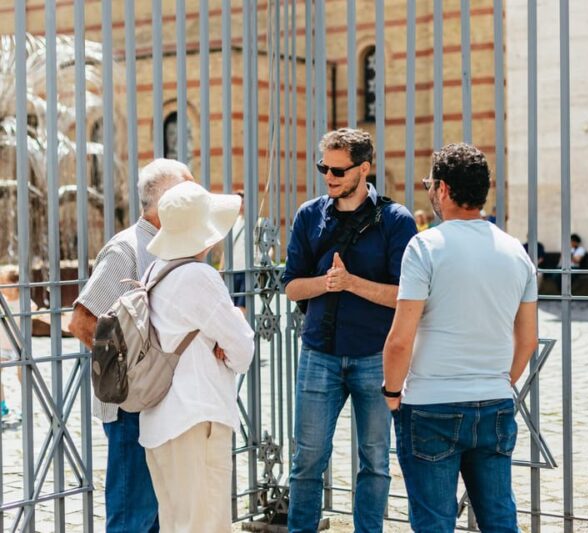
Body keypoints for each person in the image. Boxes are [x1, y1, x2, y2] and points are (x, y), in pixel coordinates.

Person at [382, 143, 539, 532]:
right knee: (500, 518)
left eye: (430, 184)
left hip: (431, 403)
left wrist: (391, 392)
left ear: (445, 190)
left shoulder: (424, 247)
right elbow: (528, 340)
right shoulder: (516, 252)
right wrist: (503, 380)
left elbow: (400, 339)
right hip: (494, 401)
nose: (430, 192)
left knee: (434, 522)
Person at [282, 128, 417, 532]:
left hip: (375, 356)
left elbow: (405, 296)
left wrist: (352, 283)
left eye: (339, 170)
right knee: (306, 459)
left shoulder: (395, 221)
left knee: (375, 460)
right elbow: (290, 286)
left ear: (364, 169)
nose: (329, 176)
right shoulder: (309, 215)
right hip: (318, 353)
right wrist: (326, 283)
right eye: (324, 167)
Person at [69, 158, 193, 533]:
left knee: (152, 515)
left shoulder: (165, 245)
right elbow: (81, 322)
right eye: (186, 193)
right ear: (164, 201)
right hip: (129, 407)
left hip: (156, 402)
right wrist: (133, 371)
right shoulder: (126, 250)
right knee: (131, 519)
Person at [139, 180, 254, 532]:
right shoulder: (198, 276)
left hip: (160, 421)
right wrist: (233, 322)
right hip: (196, 419)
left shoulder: (154, 272)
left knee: (177, 524)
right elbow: (243, 351)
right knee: (206, 524)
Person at [0, 265, 23, 427]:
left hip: (19, 347)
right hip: (2, 346)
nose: (1, 286)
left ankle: (25, 405)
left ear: (15, 285)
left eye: (3, 283)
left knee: (23, 377)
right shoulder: (3, 302)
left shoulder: (25, 303)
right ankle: (2, 405)